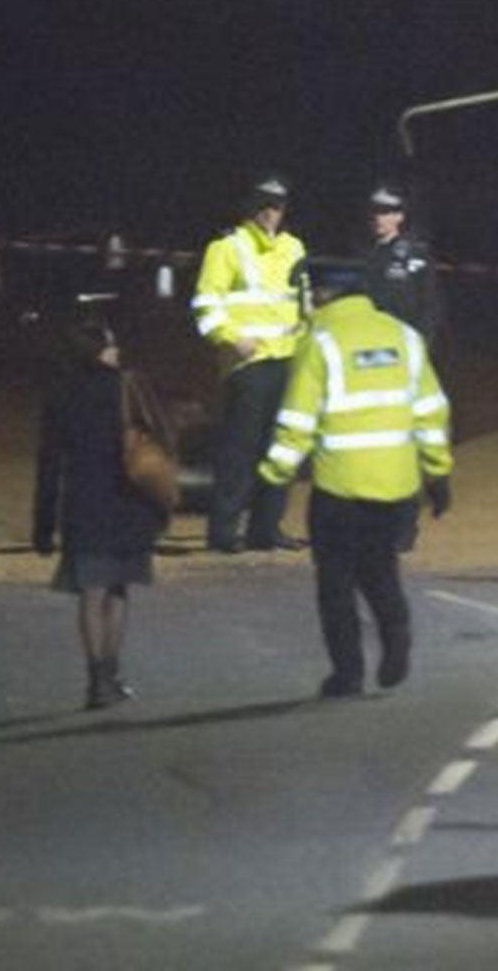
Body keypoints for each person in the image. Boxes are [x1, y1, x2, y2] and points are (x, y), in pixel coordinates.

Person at [257, 257, 454, 698]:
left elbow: (297, 421)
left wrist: (274, 474)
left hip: (339, 490)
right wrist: (438, 474)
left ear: (323, 294)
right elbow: (430, 411)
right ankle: (396, 636)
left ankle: (347, 674)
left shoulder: (319, 342)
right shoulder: (404, 337)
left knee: (336, 584)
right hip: (398, 487)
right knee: (382, 570)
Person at [32, 311, 169, 710]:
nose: (117, 350)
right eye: (111, 344)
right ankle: (112, 673)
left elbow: (49, 464)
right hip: (129, 502)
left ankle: (95, 680)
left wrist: (43, 524)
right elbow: (160, 439)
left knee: (91, 593)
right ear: (101, 351)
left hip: (84, 503)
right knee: (118, 589)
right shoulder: (129, 387)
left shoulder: (61, 394)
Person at [193, 175, 309, 553]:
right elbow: (205, 305)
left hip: (287, 358)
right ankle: (224, 531)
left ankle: (266, 529)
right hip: (249, 363)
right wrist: (232, 339)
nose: (270, 213)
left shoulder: (294, 248)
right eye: (263, 205)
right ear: (251, 207)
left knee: (279, 450)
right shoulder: (227, 247)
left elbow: (303, 303)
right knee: (239, 450)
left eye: (276, 206)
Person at [363, 182, 446, 351]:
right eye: (375, 212)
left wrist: (421, 342)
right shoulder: (371, 253)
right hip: (374, 337)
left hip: (404, 341)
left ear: (400, 216)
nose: (378, 218)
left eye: (385, 213)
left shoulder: (414, 255)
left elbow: (430, 303)